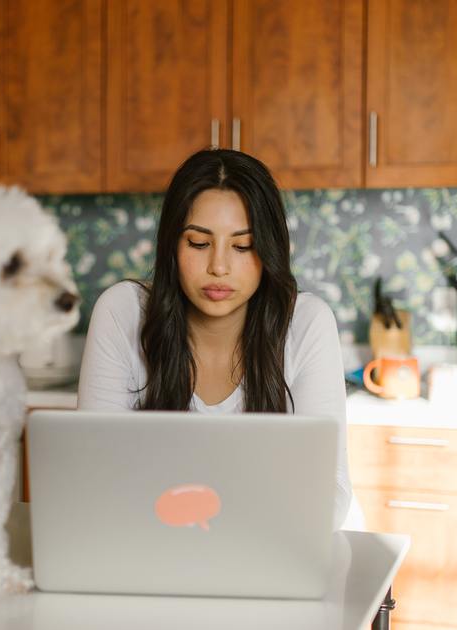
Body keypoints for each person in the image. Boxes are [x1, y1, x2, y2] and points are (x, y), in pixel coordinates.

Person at [76, 148, 361, 531]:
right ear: (172, 246)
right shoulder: (122, 312)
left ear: (268, 251)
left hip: (281, 551)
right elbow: (95, 478)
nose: (219, 267)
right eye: (198, 243)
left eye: (243, 246)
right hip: (156, 552)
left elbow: (330, 489)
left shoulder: (306, 324)